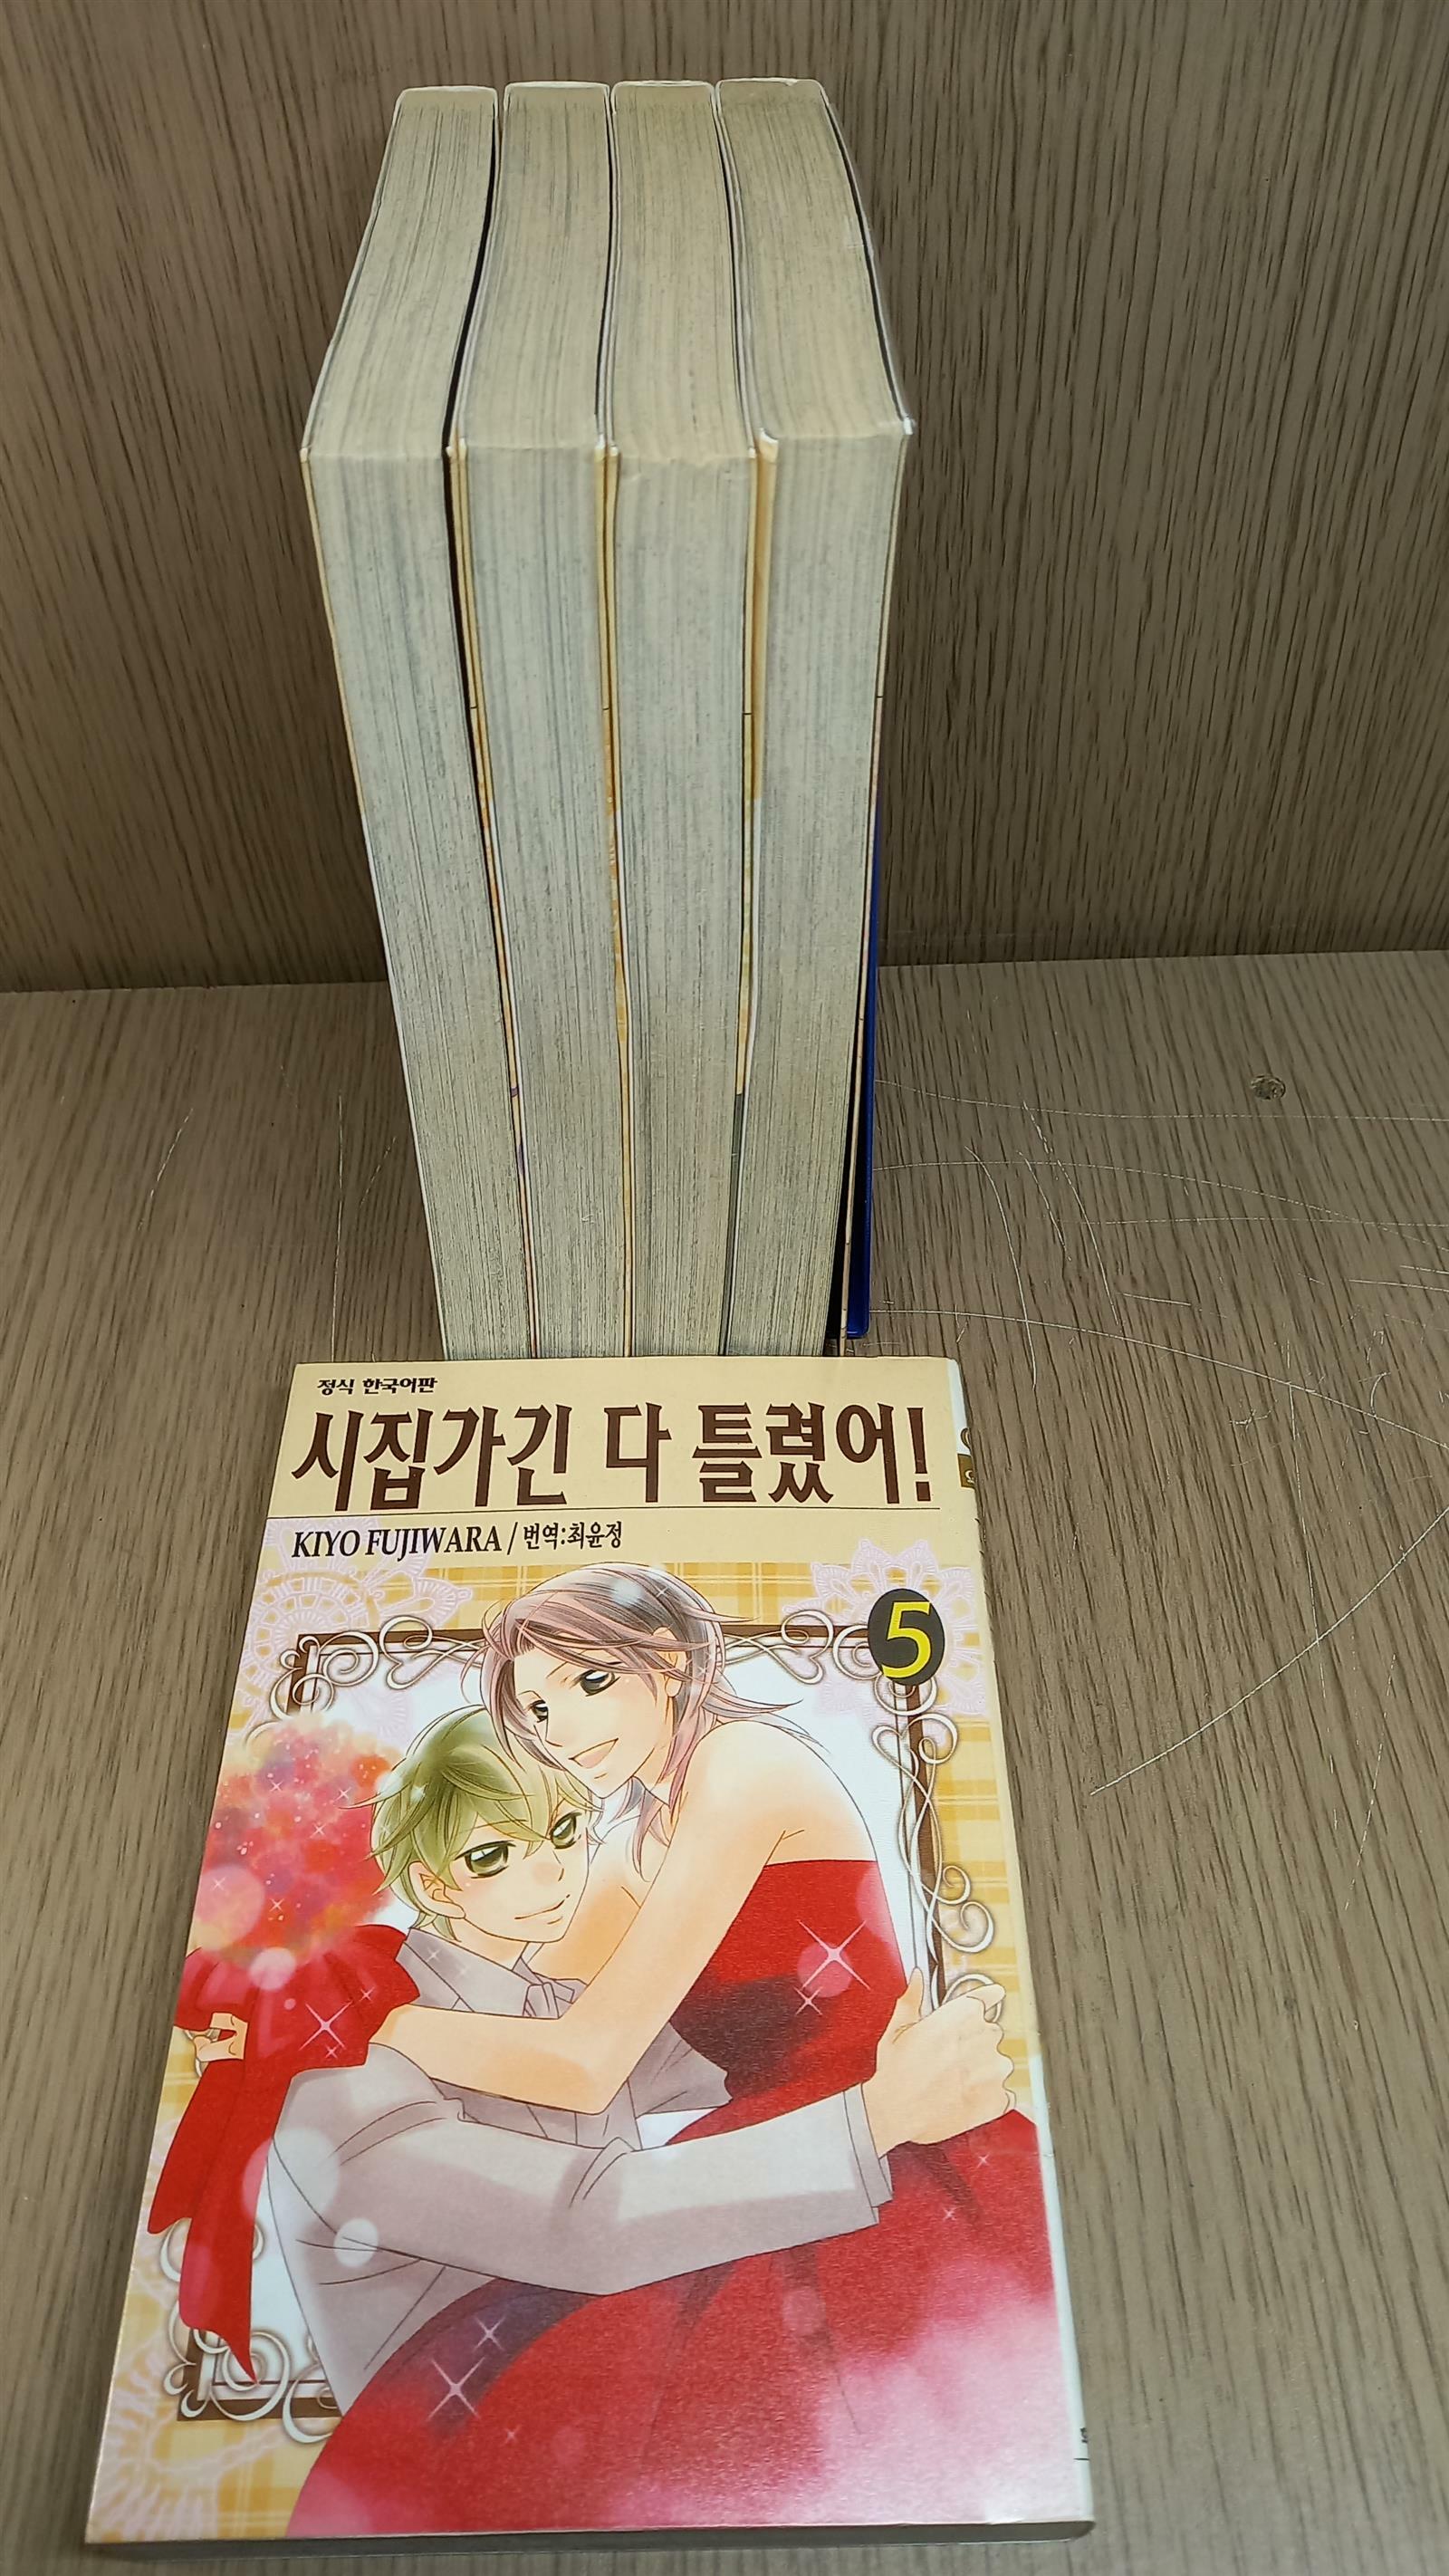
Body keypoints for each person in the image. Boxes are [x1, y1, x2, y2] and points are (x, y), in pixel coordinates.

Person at [292, 1566, 1078, 2535]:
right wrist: (319, 2001)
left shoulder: (744, 1768)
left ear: (667, 1662)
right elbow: (512, 1979)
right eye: (537, 1709)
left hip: (892, 2140)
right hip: (784, 2143)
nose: (564, 1730)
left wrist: (369, 2020)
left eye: (590, 1682)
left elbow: (586, 2062)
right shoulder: (628, 1841)